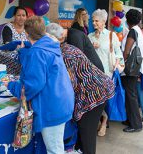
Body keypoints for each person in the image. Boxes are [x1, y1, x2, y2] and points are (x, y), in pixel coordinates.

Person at [6, 16, 74, 154]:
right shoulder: (49, 45)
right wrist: (24, 52)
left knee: (54, 150)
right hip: (61, 102)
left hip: (51, 107)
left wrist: (11, 85)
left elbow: (31, 86)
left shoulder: (38, 52)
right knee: (56, 146)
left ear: (26, 33)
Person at [46, 23, 115, 154]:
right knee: (83, 134)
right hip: (98, 87)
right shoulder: (67, 48)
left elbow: (69, 84)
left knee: (86, 133)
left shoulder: (65, 54)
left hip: (94, 92)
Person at [88, 9, 124, 136]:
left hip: (107, 74)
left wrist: (117, 63)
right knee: (95, 100)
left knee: (104, 100)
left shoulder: (111, 36)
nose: (94, 23)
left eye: (97, 21)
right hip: (93, 74)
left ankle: (104, 122)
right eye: (93, 21)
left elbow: (119, 53)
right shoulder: (90, 36)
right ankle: (99, 119)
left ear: (103, 22)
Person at [121, 9, 143, 133]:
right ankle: (130, 119)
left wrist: (122, 63)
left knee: (131, 95)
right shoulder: (138, 30)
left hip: (130, 69)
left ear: (127, 19)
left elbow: (127, 51)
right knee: (130, 94)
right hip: (137, 67)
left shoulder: (132, 31)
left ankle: (136, 124)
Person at [0, 6, 28, 75]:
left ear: (26, 17)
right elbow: (9, 45)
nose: (21, 18)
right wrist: (22, 48)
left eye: (23, 15)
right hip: (8, 64)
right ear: (14, 16)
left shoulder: (27, 29)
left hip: (22, 64)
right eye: (18, 15)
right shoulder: (8, 28)